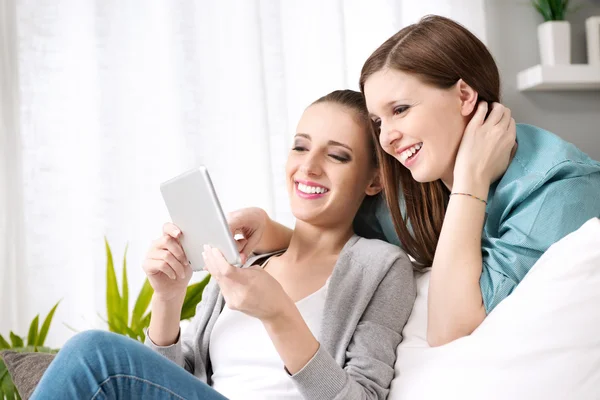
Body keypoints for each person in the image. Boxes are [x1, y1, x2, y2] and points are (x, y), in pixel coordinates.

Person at [228, 15, 600, 348]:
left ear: (465, 95)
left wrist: (471, 180)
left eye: (400, 110)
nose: (387, 138)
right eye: (378, 122)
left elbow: (451, 329)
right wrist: (273, 231)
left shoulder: (561, 188)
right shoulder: (414, 185)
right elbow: (341, 240)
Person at [30, 90, 416, 400]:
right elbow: (169, 382)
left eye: (337, 155)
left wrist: (280, 316)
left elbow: (363, 397)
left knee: (94, 355)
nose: (309, 166)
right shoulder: (247, 263)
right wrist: (168, 296)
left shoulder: (381, 266)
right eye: (300, 147)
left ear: (374, 181)